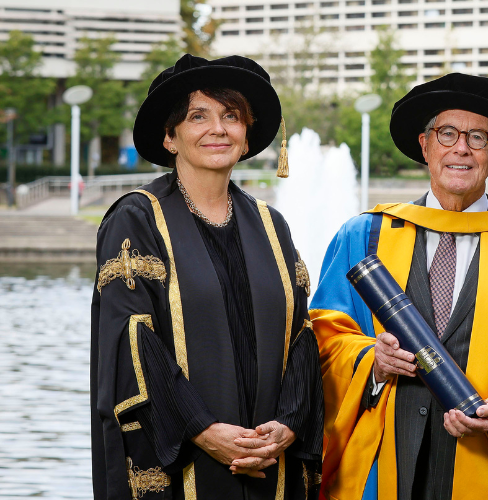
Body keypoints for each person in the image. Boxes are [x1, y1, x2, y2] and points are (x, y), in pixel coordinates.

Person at [309, 73, 488, 500]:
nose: (461, 148)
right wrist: (371, 361)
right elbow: (322, 345)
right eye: (448, 133)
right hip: (379, 467)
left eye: (478, 137)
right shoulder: (363, 237)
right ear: (425, 146)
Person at [90, 54, 324, 500]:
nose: (218, 129)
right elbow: (133, 341)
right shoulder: (138, 218)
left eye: (231, 116)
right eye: (198, 116)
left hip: (267, 457)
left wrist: (288, 425)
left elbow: (301, 334)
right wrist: (203, 429)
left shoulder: (271, 225)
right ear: (170, 136)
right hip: (181, 462)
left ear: (246, 133)